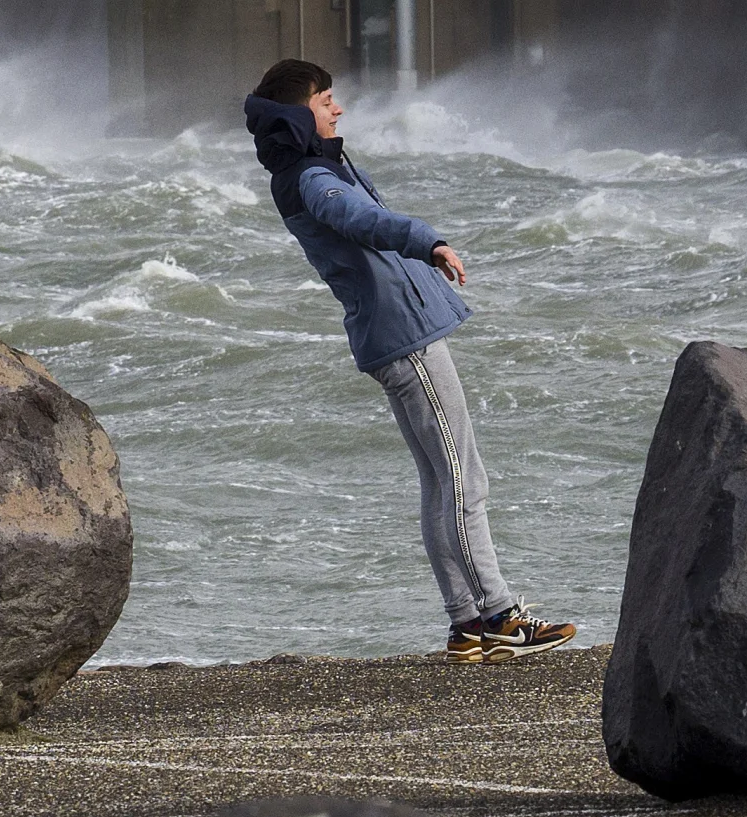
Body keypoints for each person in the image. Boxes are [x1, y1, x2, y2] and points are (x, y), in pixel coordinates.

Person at [242, 60, 577, 665]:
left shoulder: (309, 168)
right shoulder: (314, 177)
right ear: (298, 114)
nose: (337, 109)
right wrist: (428, 240)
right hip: (406, 338)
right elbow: (356, 217)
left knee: (438, 480)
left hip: (392, 334)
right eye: (324, 101)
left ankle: (467, 624)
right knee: (463, 480)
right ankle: (501, 616)